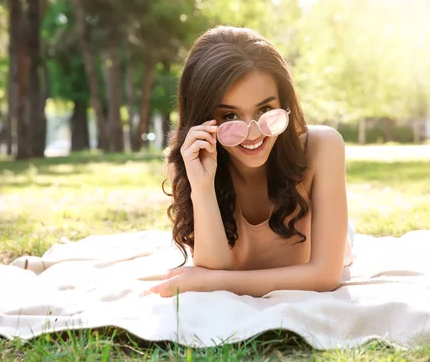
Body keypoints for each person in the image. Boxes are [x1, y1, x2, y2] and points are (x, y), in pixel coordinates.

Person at [149, 26, 354, 297]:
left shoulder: (322, 146)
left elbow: (326, 276)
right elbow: (213, 269)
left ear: (286, 103)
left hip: (331, 235)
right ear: (203, 120)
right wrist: (202, 186)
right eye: (230, 117)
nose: (253, 132)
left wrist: (214, 282)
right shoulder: (190, 161)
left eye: (266, 110)